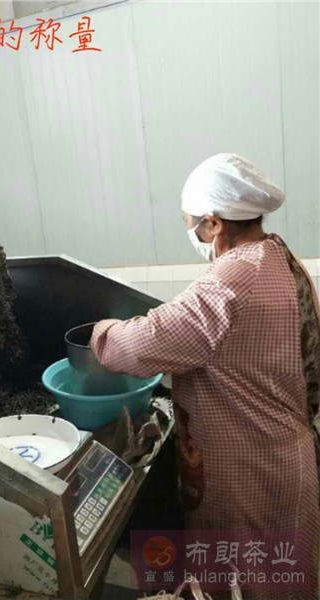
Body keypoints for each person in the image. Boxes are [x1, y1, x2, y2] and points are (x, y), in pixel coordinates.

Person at [90, 154, 320, 599]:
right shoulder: (277, 255)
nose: (191, 232)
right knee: (279, 578)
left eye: (191, 223)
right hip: (283, 455)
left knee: (255, 582)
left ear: (214, 224)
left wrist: (99, 333)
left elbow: (142, 344)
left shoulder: (234, 277)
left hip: (250, 474)